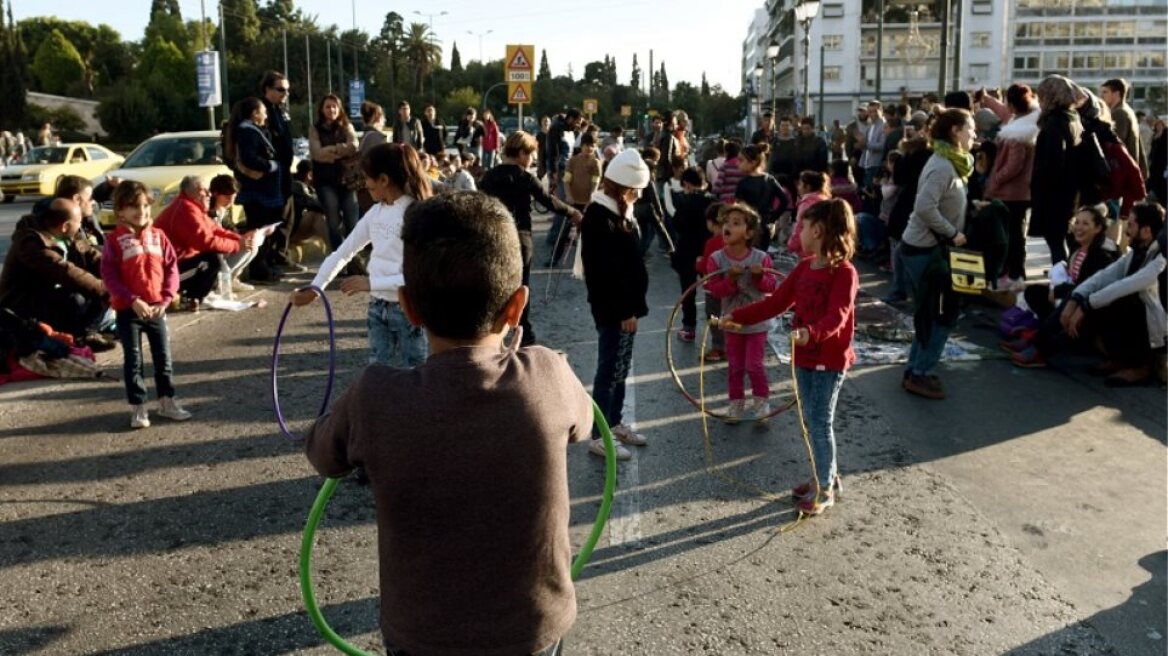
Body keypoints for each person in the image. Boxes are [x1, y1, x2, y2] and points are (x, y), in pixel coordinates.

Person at [304, 191, 591, 656]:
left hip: (422, 637)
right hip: (533, 631)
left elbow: (322, 453)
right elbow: (583, 425)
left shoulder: (375, 396)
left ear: (407, 307)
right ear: (517, 307)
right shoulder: (548, 374)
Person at [722, 198, 857, 514]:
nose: (799, 231)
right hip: (803, 358)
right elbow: (775, 303)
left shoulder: (844, 273)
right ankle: (825, 476)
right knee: (811, 422)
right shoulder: (804, 267)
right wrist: (738, 316)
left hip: (828, 361)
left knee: (820, 422)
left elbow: (837, 315)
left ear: (819, 231)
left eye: (803, 226)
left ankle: (824, 490)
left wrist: (812, 333)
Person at [293, 143, 433, 366]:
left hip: (410, 309)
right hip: (378, 308)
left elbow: (420, 277)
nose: (364, 184)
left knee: (416, 372)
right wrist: (315, 288)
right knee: (377, 372)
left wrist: (371, 283)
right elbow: (342, 253)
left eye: (367, 178)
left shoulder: (416, 214)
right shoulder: (375, 214)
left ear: (384, 180)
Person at [580, 149, 655, 461]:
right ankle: (599, 435)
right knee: (609, 369)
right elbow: (608, 272)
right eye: (635, 190)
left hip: (626, 307)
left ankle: (615, 422)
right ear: (624, 189)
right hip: (614, 308)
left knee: (621, 367)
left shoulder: (620, 213)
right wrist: (625, 310)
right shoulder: (601, 218)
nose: (638, 195)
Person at [100, 180, 192, 429]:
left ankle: (167, 401)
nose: (141, 212)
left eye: (145, 206)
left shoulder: (159, 236)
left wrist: (166, 297)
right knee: (134, 360)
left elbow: (171, 268)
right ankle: (138, 407)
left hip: (157, 308)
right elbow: (110, 276)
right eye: (133, 207)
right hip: (128, 310)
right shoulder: (114, 241)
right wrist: (132, 300)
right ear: (120, 211)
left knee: (164, 358)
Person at [479, 132, 582, 347]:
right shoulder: (525, 178)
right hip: (520, 238)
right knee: (522, 286)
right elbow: (549, 201)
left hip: (494, 237)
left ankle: (491, 331)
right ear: (521, 153)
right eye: (531, 155)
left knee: (495, 284)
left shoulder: (488, 177)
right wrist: (573, 212)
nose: (533, 160)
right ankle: (523, 332)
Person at [899, 108, 974, 400]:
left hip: (929, 248)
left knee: (930, 314)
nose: (974, 135)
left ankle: (916, 368)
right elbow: (924, 207)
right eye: (970, 129)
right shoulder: (943, 165)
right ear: (955, 131)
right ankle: (920, 373)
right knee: (942, 315)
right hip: (925, 249)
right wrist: (952, 232)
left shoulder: (953, 163)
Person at [1057, 202, 1166, 386]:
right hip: (1148, 319)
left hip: (1161, 327)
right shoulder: (1136, 252)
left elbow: (1128, 285)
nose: (1125, 231)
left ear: (1146, 231)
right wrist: (1076, 298)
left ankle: (1140, 367)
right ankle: (1120, 359)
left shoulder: (1160, 258)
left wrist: (1087, 304)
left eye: (1130, 225)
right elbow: (1105, 276)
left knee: (1124, 301)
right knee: (1099, 297)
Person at [1007, 205, 1118, 366]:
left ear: (1098, 228)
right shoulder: (1078, 247)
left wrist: (1060, 290)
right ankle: (1041, 336)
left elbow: (1088, 287)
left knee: (1067, 301)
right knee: (1034, 292)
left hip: (1091, 308)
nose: (1079, 227)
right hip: (1072, 296)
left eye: (1085, 224)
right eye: (1077, 222)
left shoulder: (1101, 254)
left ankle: (1040, 348)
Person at [0, 198, 113, 350]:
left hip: (51, 297)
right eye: (79, 222)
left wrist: (119, 278)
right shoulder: (31, 243)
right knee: (80, 296)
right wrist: (107, 291)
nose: (81, 225)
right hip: (23, 305)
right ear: (65, 226)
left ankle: (86, 334)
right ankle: (75, 336)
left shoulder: (68, 235)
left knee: (103, 287)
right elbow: (66, 271)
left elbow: (93, 256)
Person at [704, 203, 779, 422]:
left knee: (754, 365)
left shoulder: (761, 258)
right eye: (726, 222)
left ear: (749, 233)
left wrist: (758, 277)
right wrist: (732, 280)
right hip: (731, 321)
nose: (728, 226)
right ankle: (735, 405)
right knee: (735, 366)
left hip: (757, 321)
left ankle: (761, 403)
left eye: (736, 223)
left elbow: (771, 286)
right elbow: (715, 290)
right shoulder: (716, 259)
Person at [154, 176, 256, 306]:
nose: (209, 194)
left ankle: (203, 290)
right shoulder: (185, 209)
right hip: (166, 271)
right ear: (192, 192)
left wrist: (240, 239)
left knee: (218, 254)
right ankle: (191, 297)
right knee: (210, 261)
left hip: (179, 261)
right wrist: (237, 245)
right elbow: (205, 242)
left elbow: (215, 229)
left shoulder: (193, 207)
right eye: (205, 190)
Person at [222, 96, 285, 283]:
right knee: (259, 231)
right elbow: (249, 158)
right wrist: (270, 166)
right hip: (258, 191)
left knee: (263, 230)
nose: (266, 114)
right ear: (254, 113)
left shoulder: (251, 130)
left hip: (261, 190)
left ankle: (262, 267)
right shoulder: (247, 131)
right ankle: (258, 269)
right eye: (263, 110)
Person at [984, 84, 1040, 289]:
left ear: (1013, 105)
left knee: (1013, 238)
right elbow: (1002, 110)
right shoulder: (1025, 119)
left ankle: (1015, 275)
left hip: (1012, 193)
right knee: (1014, 236)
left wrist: (995, 179)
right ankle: (1014, 274)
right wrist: (987, 99)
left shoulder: (1019, 132)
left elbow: (1014, 165)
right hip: (1019, 192)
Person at [1031, 75, 1084, 266]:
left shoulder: (1054, 123)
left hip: (1054, 195)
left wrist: (1040, 188)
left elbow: (1053, 162)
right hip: (1069, 192)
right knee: (1062, 240)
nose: (1039, 100)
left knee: (1056, 242)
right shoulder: (1073, 118)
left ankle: (1062, 283)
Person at [670, 167, 717, 343]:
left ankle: (689, 328)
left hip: (687, 252)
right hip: (709, 252)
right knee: (714, 292)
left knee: (688, 292)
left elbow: (677, 225)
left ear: (687, 184)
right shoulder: (713, 201)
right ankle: (717, 332)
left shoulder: (684, 201)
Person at [310, 94, 361, 251]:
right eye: (327, 106)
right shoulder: (315, 128)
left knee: (352, 221)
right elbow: (316, 153)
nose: (331, 109)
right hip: (325, 181)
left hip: (346, 180)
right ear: (322, 109)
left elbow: (353, 146)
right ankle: (339, 258)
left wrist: (331, 150)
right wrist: (341, 150)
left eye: (334, 106)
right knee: (333, 222)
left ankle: (353, 259)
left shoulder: (347, 126)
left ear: (339, 109)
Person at [258, 72, 297, 270]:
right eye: (280, 89)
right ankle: (268, 261)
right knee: (272, 219)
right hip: (271, 175)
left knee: (287, 215)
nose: (285, 93)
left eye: (287, 90)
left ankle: (280, 255)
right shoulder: (261, 110)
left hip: (284, 171)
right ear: (267, 89)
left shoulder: (279, 110)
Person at [734, 143, 791, 250]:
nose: (737, 164)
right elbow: (785, 201)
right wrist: (773, 218)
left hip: (747, 228)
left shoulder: (743, 183)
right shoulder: (770, 179)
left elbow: (738, 208)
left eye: (741, 160)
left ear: (753, 162)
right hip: (765, 227)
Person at [1101, 78, 1147, 179]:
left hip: (1122, 171)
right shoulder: (1127, 110)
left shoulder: (1119, 113)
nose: (1102, 96)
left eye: (1105, 92)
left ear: (1116, 94)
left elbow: (1116, 144)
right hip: (1128, 169)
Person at [787, 170, 832, 258]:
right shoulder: (824, 200)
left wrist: (791, 245)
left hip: (807, 248)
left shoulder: (806, 204)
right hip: (823, 247)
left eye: (800, 184)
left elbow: (799, 226)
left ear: (807, 187)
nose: (798, 187)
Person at [859, 100, 887, 185]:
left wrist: (866, 145)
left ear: (881, 111)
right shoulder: (870, 125)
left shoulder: (884, 125)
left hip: (876, 165)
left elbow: (882, 145)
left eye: (875, 111)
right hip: (867, 164)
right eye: (870, 111)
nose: (872, 114)